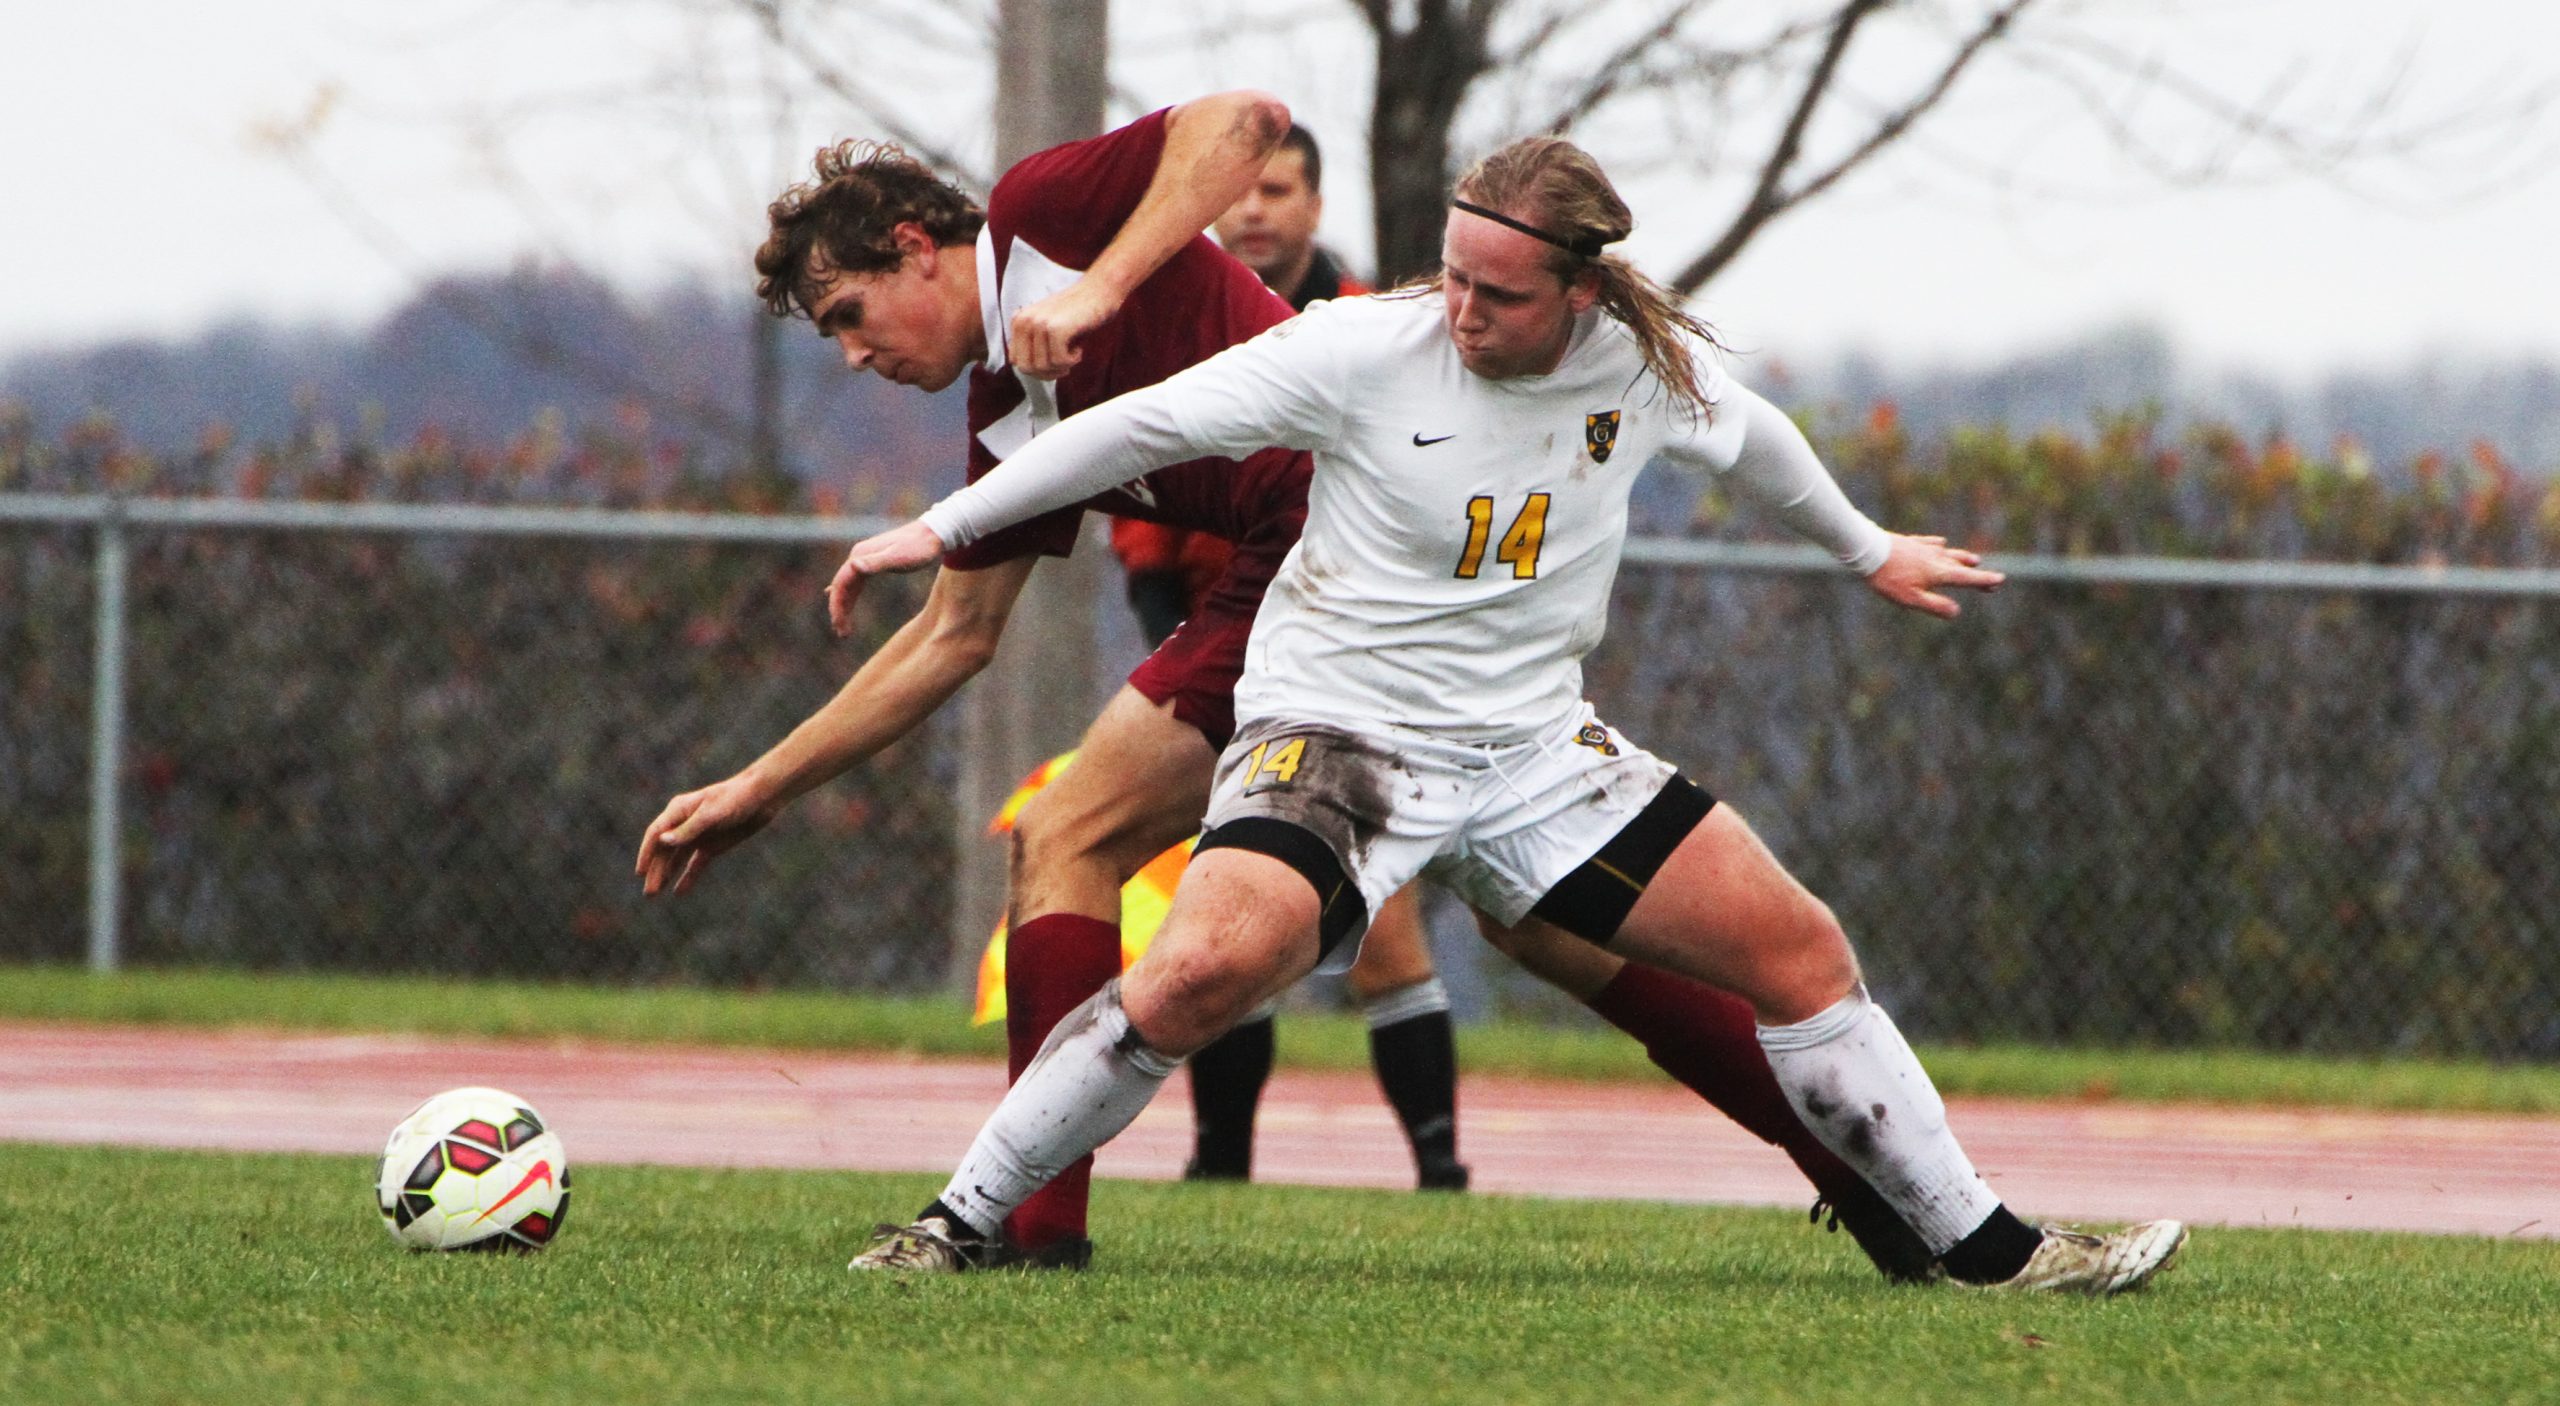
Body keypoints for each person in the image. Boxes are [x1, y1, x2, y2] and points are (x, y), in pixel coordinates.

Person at [835, 135, 2189, 1295]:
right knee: (1194, 975)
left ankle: (1994, 1250)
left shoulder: (1640, 365)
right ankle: (956, 1224)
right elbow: (1133, 429)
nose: (1462, 310)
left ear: (1582, 292)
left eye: (1497, 292)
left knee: (1803, 952)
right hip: (1338, 735)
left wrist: (1865, 546)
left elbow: (1757, 436)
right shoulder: (1367, 347)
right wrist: (943, 523)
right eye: (1455, 276)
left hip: (1537, 755)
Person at [639, 100, 1934, 1282]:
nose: (854, 356)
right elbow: (952, 637)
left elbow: (1241, 126)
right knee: (1556, 928)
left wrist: (1102, 287)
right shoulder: (1007, 405)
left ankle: (1026, 1236)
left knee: (1071, 832)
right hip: (1302, 594)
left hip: (1333, 570)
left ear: (920, 248)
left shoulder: (1043, 219)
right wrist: (759, 786)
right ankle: (1869, 1180)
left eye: (849, 315)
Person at [1116, 124, 1460, 1191]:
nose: (1256, 209)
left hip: (1374, 670)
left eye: (1279, 189)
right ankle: (1220, 1163)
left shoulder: (1385, 330)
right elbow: (1146, 554)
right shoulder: (1189, 333)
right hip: (1229, 667)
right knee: (1227, 926)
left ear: (1315, 205)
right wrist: (1192, 695)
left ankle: (1441, 1173)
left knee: (1386, 926)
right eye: (1241, 192)